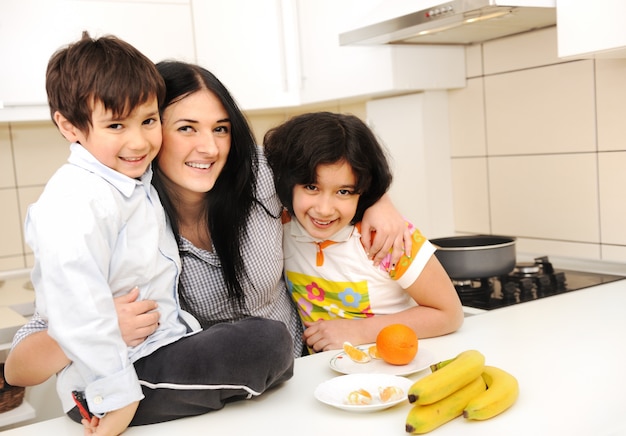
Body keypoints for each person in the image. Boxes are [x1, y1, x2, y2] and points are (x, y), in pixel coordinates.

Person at [14, 33, 294, 435]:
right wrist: (119, 394)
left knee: (264, 343)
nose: (209, 148)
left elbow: (328, 167)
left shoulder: (240, 178)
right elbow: (39, 343)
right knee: (264, 342)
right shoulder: (79, 200)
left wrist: (375, 203)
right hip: (116, 384)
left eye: (221, 129)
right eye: (185, 128)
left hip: (225, 376)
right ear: (69, 126)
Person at [263, 112, 465, 353]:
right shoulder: (278, 226)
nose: (324, 210)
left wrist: (358, 331)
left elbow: (449, 314)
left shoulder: (388, 239)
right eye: (311, 187)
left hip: (391, 372)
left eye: (344, 192)